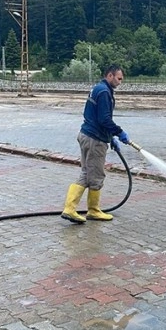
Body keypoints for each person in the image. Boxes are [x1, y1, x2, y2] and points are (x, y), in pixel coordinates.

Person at [61, 64, 131, 224]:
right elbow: (104, 119)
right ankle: (85, 210)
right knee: (95, 175)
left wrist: (110, 137)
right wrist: (119, 133)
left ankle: (78, 209)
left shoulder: (97, 88)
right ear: (110, 75)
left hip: (86, 135)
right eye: (119, 78)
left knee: (87, 172)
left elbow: (95, 116)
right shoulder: (105, 92)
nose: (120, 82)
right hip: (95, 140)